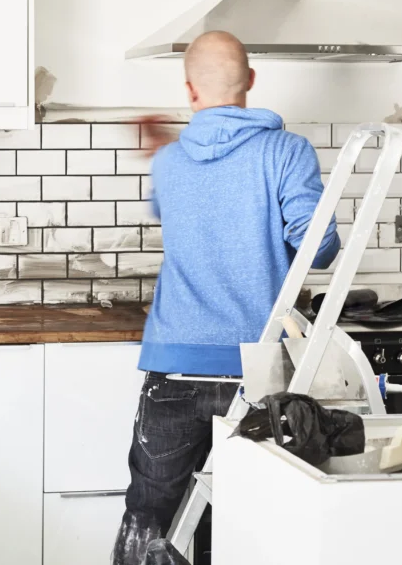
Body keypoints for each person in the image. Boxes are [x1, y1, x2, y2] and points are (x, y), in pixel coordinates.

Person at [111, 30, 341, 565]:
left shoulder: (170, 162)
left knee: (150, 514)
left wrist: (168, 153)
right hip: (255, 370)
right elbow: (320, 248)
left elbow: (181, 210)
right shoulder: (286, 151)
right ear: (251, 81)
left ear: (190, 90)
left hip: (174, 367)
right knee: (255, 523)